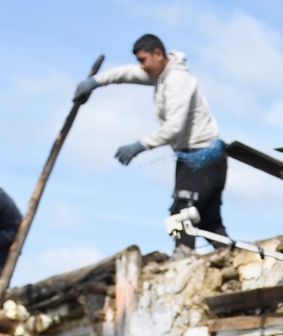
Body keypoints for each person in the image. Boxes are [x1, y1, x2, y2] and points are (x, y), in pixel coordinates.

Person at [74, 34, 227, 251]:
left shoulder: (177, 80)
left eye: (144, 60)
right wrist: (96, 82)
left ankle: (182, 258)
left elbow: (175, 128)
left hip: (203, 156)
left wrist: (140, 146)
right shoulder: (162, 75)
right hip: (194, 157)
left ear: (158, 54)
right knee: (209, 220)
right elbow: (125, 73)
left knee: (183, 211)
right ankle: (230, 256)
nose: (142, 67)